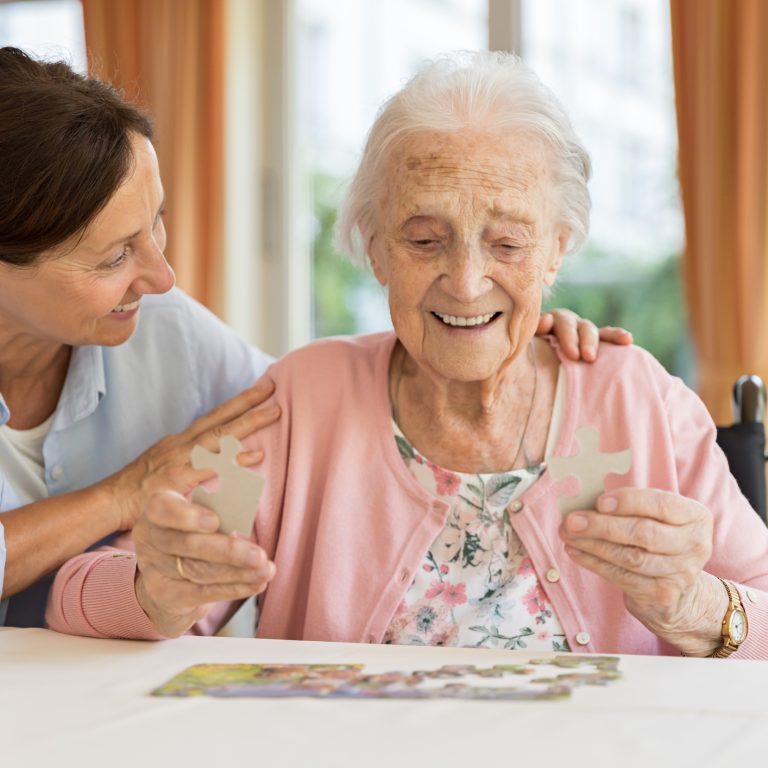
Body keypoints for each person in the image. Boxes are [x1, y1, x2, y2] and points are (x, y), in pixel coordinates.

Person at [48, 52, 768, 657]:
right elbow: (78, 596)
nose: (465, 280)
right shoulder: (302, 407)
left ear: (558, 249)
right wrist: (157, 590)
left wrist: (698, 605)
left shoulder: (635, 401)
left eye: (508, 243)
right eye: (424, 239)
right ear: (375, 248)